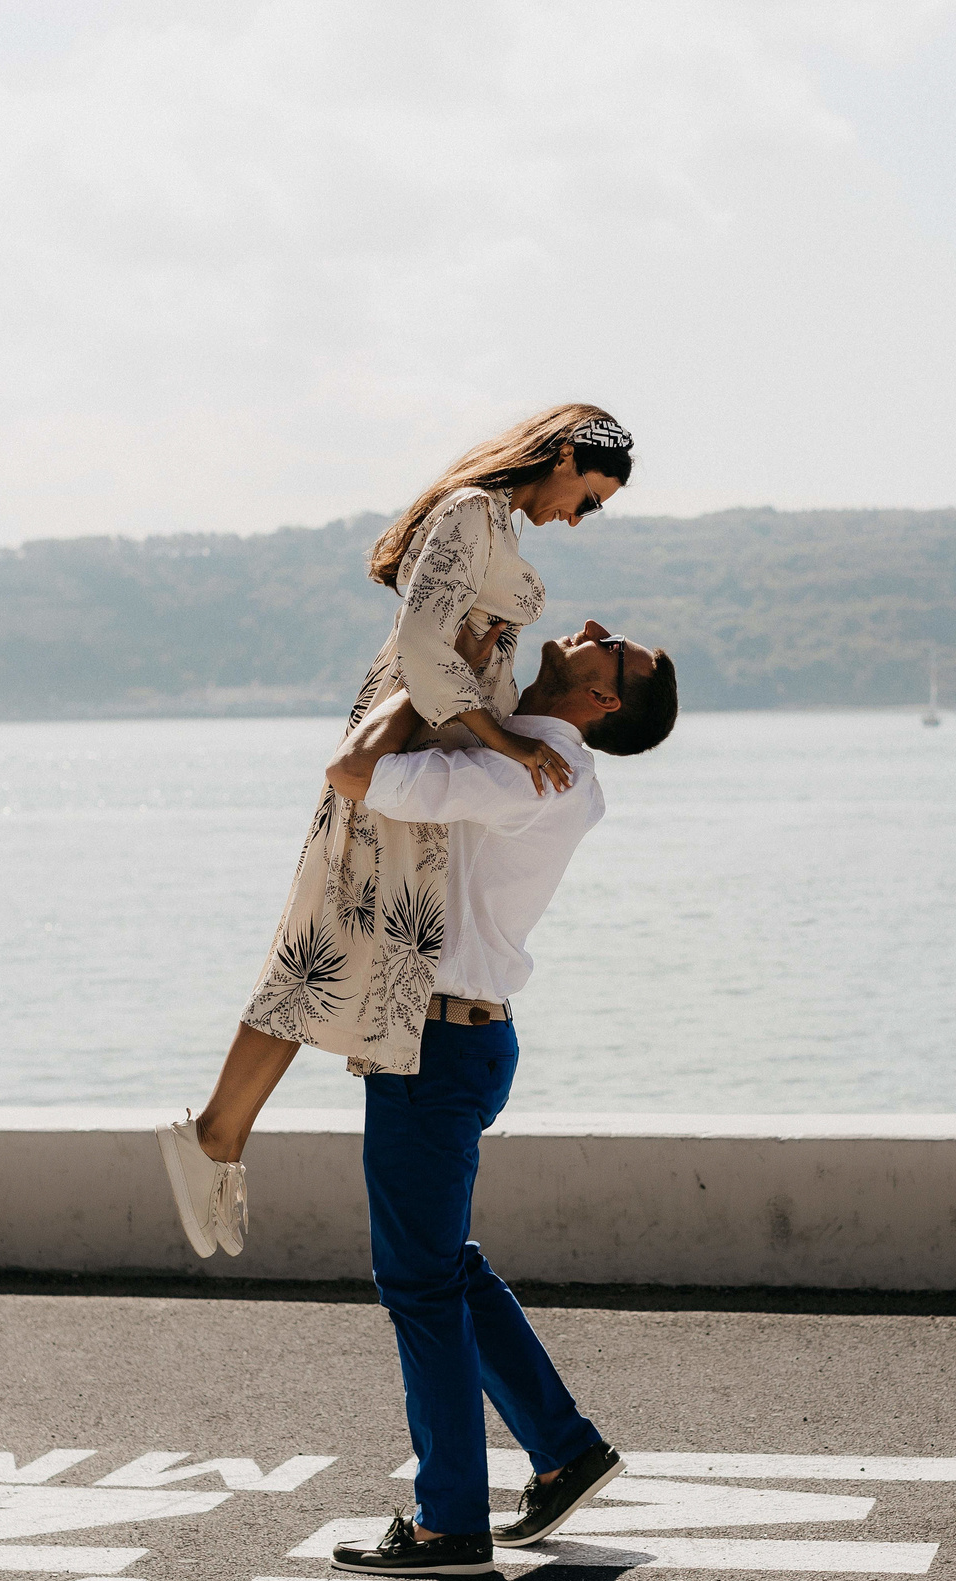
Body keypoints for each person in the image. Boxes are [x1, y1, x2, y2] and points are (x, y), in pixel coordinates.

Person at [160, 405, 636, 1259]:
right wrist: (505, 740)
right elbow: (422, 641)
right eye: (589, 497)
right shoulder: (471, 511)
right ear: (563, 455)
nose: (581, 516)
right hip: (410, 733)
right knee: (321, 941)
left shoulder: (493, 524)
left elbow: (455, 640)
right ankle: (214, 1137)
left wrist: (499, 725)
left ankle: (218, 1137)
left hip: (434, 740)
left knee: (336, 947)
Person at [319, 614, 677, 1575]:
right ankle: (564, 1452)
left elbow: (352, 771)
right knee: (445, 1266)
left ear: (602, 700)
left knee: (419, 1284)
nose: (596, 627)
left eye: (616, 649)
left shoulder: (521, 771)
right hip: (466, 1038)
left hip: (438, 1046)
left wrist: (437, 676)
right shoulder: (537, 762)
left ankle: (450, 1524)